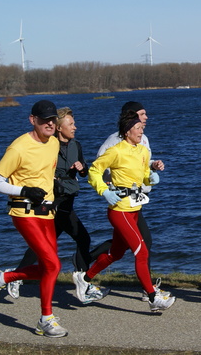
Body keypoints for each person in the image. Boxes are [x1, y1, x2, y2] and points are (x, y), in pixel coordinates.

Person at [72, 111, 175, 312]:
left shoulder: (143, 151)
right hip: (119, 210)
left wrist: (152, 176)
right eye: (137, 128)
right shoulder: (116, 151)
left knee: (115, 254)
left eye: (142, 127)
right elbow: (94, 171)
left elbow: (144, 176)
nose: (141, 130)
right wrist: (104, 191)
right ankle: (153, 297)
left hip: (135, 209)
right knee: (141, 252)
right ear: (127, 132)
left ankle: (84, 278)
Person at [5, 107, 109, 304]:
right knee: (83, 239)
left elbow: (85, 171)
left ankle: (16, 276)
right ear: (60, 128)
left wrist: (81, 168)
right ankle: (83, 282)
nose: (75, 127)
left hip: (68, 200)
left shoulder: (76, 145)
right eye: (71, 124)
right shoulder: (50, 145)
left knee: (44, 245)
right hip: (54, 202)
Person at [0, 99, 67, 338]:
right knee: (53, 265)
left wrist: (56, 188)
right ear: (33, 120)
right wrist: (24, 190)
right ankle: (46, 319)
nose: (50, 124)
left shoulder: (53, 143)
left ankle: (1, 277)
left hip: (47, 213)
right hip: (24, 212)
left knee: (47, 268)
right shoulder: (18, 147)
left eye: (53, 120)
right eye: (44, 120)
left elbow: (43, 174)